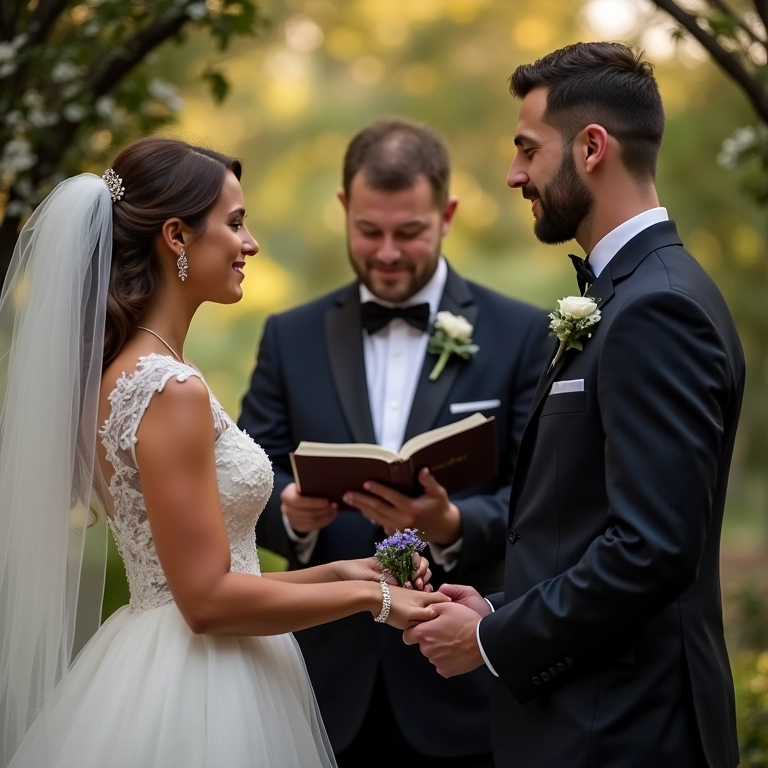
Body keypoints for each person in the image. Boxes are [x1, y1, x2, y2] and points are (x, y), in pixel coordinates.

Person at [0, 137, 449, 768]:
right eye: (236, 223)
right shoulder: (168, 388)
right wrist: (372, 600)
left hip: (167, 649)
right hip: (198, 685)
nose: (251, 243)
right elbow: (207, 601)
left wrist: (340, 572)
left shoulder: (129, 373)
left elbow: (212, 573)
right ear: (177, 237)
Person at [404, 42, 745, 768]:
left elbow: (652, 550)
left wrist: (491, 641)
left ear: (592, 147)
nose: (514, 174)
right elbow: (590, 523)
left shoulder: (658, 308)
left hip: (626, 733)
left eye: (528, 149)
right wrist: (497, 607)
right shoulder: (623, 295)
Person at [238, 117, 550, 766]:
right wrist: (289, 514)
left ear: (448, 213)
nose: (386, 253)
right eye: (368, 230)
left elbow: (541, 495)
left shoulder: (523, 333)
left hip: (461, 685)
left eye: (409, 233)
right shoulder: (288, 337)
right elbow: (251, 473)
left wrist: (456, 522)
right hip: (321, 689)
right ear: (344, 209)